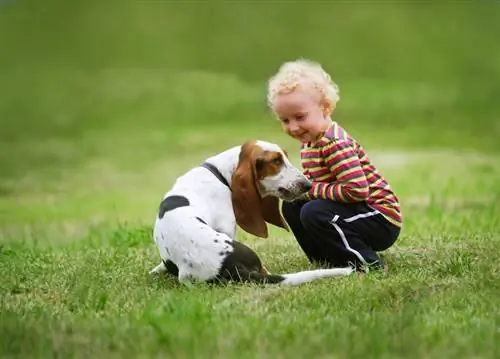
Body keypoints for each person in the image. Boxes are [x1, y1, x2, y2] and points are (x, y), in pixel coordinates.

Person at [266, 58, 403, 272]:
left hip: (380, 218)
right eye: (285, 120)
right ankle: (327, 260)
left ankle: (367, 263)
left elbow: (357, 190)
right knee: (293, 205)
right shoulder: (310, 141)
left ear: (326, 108)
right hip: (353, 211)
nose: (293, 127)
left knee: (313, 210)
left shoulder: (334, 144)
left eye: (300, 117)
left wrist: (311, 189)